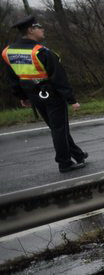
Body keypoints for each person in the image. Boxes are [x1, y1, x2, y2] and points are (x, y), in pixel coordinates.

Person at [2, 15, 86, 172]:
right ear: (30, 30)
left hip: (34, 96)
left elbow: (13, 77)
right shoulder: (40, 52)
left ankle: (78, 154)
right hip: (52, 95)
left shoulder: (9, 52)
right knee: (59, 129)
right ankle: (64, 163)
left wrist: (21, 96)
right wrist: (71, 99)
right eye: (39, 27)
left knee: (57, 128)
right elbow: (58, 77)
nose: (43, 29)